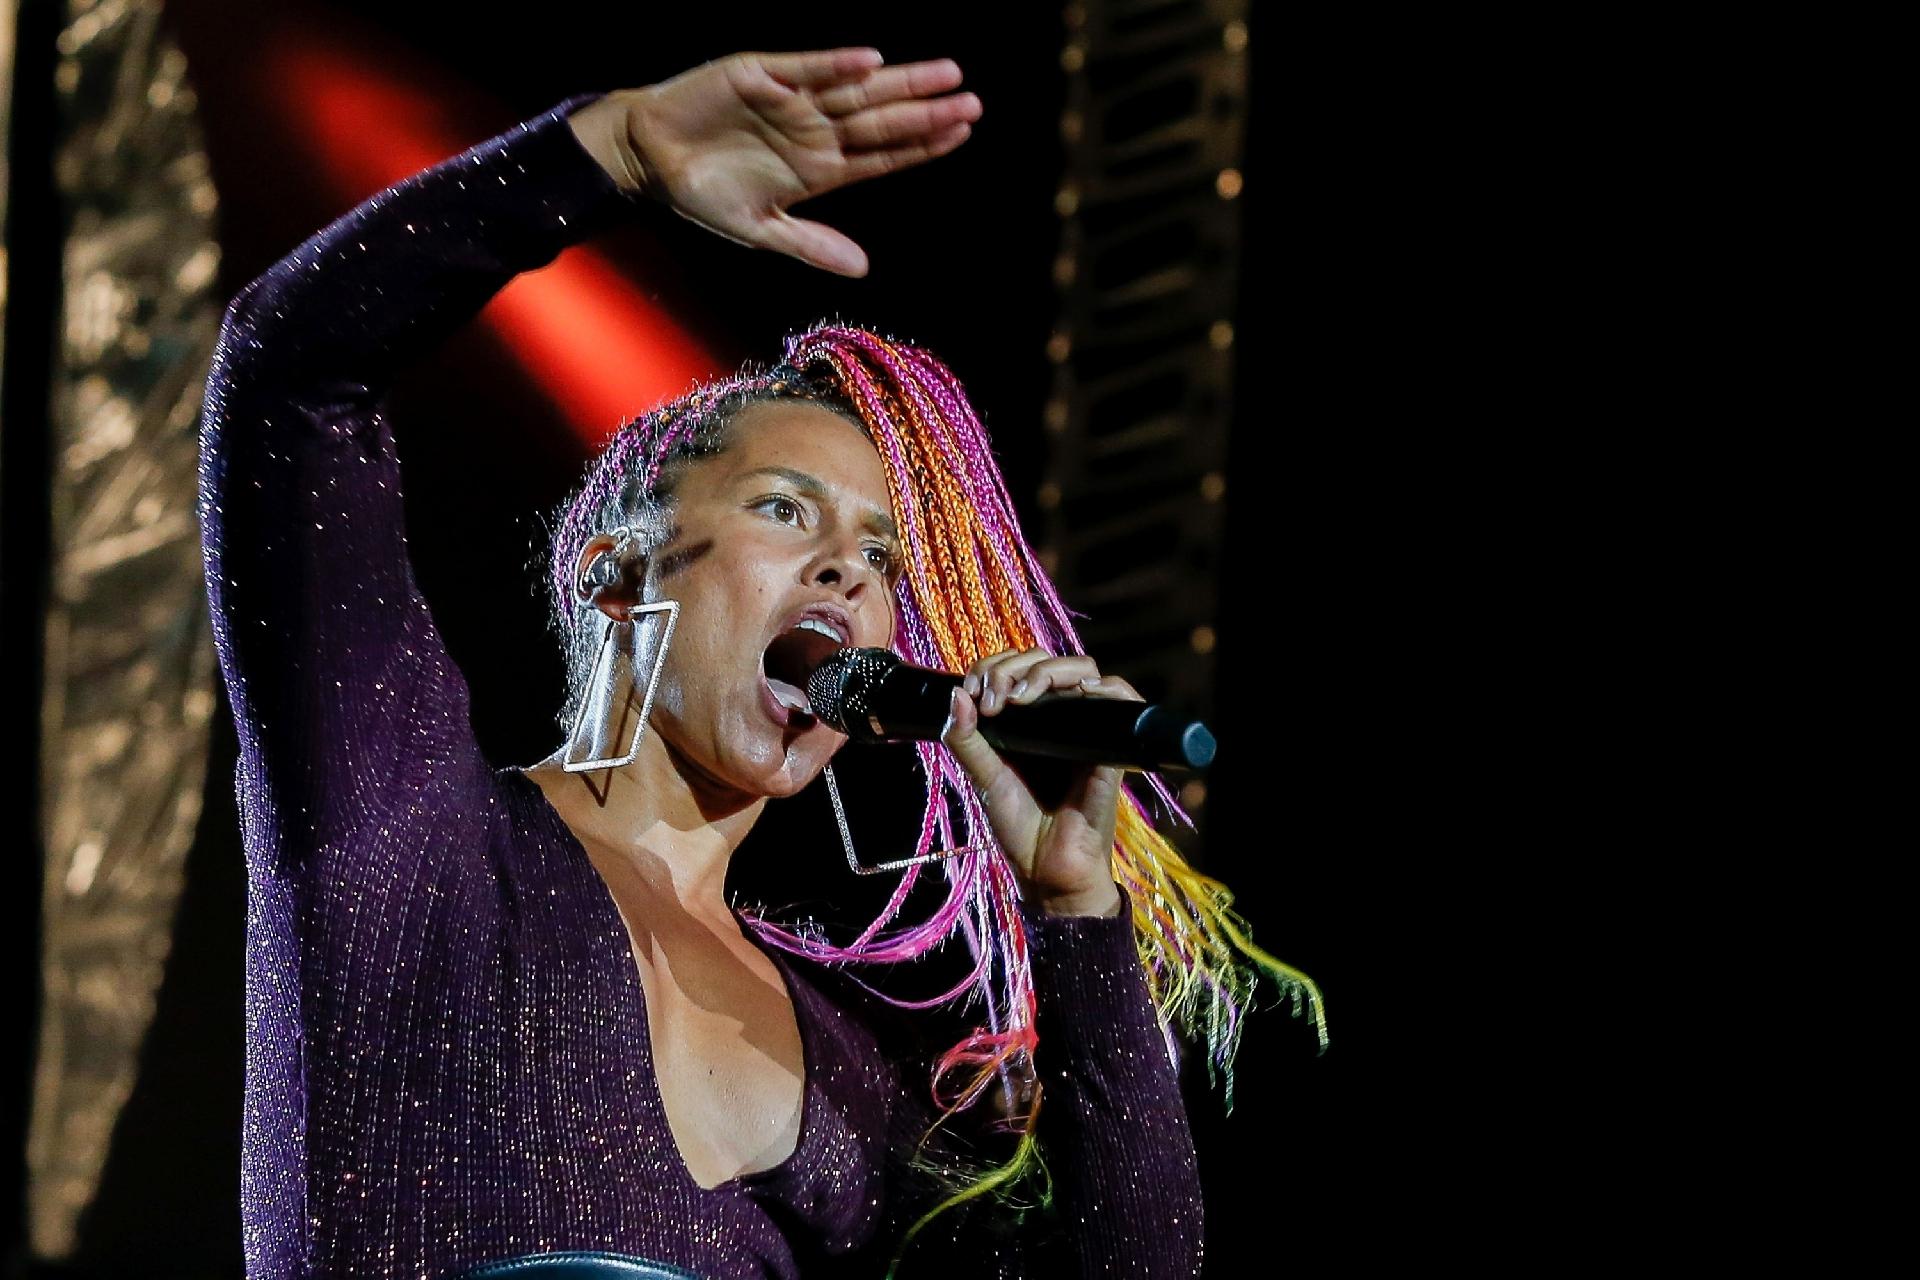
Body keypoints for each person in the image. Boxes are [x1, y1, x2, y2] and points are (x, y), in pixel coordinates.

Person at [198, 47, 1320, 1280]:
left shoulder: (853, 1068)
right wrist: (604, 155)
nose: (850, 574)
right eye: (789, 512)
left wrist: (1075, 913)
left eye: (880, 555)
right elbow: (287, 370)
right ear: (615, 573)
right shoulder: (407, 827)